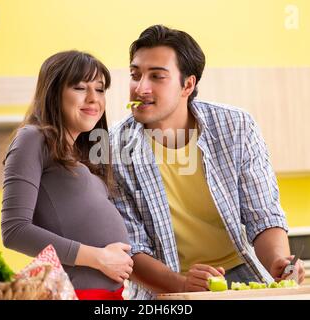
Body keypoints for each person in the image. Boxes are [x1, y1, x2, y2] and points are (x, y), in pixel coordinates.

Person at [109, 25, 305, 300]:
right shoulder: (113, 147)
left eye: (156, 76)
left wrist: (278, 262)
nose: (140, 87)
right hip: (165, 285)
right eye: (135, 75)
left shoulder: (236, 127)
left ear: (187, 85)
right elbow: (130, 247)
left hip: (240, 275)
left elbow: (262, 214)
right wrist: (181, 285)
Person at [1, 50, 133, 300]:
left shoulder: (86, 157)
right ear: (54, 93)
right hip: (73, 294)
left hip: (108, 296)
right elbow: (14, 230)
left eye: (100, 89)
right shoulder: (33, 139)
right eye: (80, 88)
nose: (94, 98)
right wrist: (99, 258)